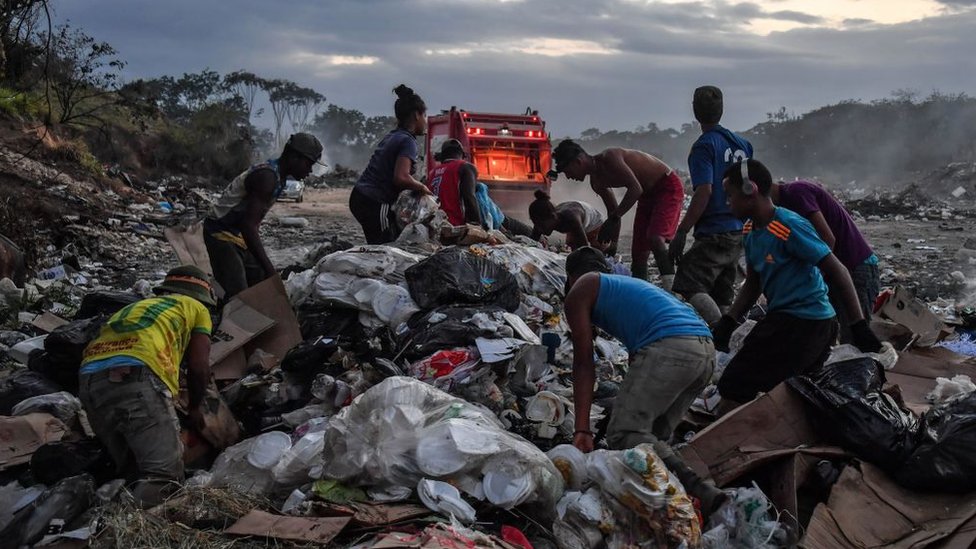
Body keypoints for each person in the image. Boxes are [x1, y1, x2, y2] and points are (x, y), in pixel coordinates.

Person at [563, 246, 726, 516]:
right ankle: (673, 509)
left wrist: (582, 430)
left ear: (571, 276)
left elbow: (583, 363)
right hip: (705, 351)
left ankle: (701, 492)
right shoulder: (627, 285)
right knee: (651, 439)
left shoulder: (582, 288)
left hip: (673, 347)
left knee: (625, 433)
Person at [712, 160, 883, 405]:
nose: (727, 202)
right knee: (790, 394)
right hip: (786, 319)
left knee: (734, 385)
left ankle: (723, 442)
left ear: (750, 190)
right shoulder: (750, 230)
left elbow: (839, 270)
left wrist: (858, 325)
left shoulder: (788, 226)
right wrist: (729, 321)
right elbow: (753, 282)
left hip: (806, 322)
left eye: (730, 195)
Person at [78, 265, 216, 508]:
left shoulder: (136, 306)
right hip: (137, 374)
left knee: (132, 470)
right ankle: (116, 533)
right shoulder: (196, 308)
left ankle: (91, 524)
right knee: (164, 476)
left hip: (89, 378)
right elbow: (199, 366)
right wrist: (195, 408)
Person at [669, 86, 753, 324]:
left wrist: (682, 231)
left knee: (688, 282)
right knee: (722, 294)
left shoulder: (704, 146)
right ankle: (728, 345)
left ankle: (721, 334)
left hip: (715, 229)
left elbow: (704, 191)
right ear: (722, 109)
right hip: (739, 229)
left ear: (695, 111)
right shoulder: (743, 145)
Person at [204, 133, 323, 299]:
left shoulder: (277, 177)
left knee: (260, 285)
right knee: (240, 295)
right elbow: (248, 226)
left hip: (238, 236)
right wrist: (270, 270)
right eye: (308, 163)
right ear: (294, 157)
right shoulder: (267, 178)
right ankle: (229, 320)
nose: (309, 170)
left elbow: (252, 223)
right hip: (221, 234)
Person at [551, 140, 684, 286]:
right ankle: (640, 292)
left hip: (666, 186)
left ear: (578, 162)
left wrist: (614, 218)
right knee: (638, 253)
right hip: (646, 196)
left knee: (655, 239)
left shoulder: (610, 157)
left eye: (567, 171)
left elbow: (635, 188)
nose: (569, 177)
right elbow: (612, 210)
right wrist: (613, 244)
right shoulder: (596, 182)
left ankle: (673, 289)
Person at [771, 179, 880, 343]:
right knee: (829, 336)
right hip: (837, 272)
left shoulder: (796, 193)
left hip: (855, 268)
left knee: (853, 341)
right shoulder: (783, 207)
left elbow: (828, 239)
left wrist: (813, 276)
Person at [350, 85, 432, 244]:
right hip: (374, 200)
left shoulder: (393, 135)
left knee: (383, 242)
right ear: (416, 115)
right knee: (385, 248)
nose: (426, 121)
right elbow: (401, 177)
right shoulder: (408, 141)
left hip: (360, 195)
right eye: (425, 115)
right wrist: (422, 188)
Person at [427, 138, 535, 238]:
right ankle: (535, 235)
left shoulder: (431, 174)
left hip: (437, 227)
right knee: (506, 220)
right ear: (462, 155)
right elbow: (469, 197)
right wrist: (476, 228)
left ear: (442, 156)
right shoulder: (465, 167)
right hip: (457, 226)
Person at [528, 191, 609, 251]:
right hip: (573, 217)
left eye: (542, 226)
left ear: (553, 217)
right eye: (536, 225)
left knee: (596, 250)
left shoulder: (572, 219)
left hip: (594, 222)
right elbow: (532, 242)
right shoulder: (540, 222)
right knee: (570, 247)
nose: (539, 229)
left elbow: (584, 248)